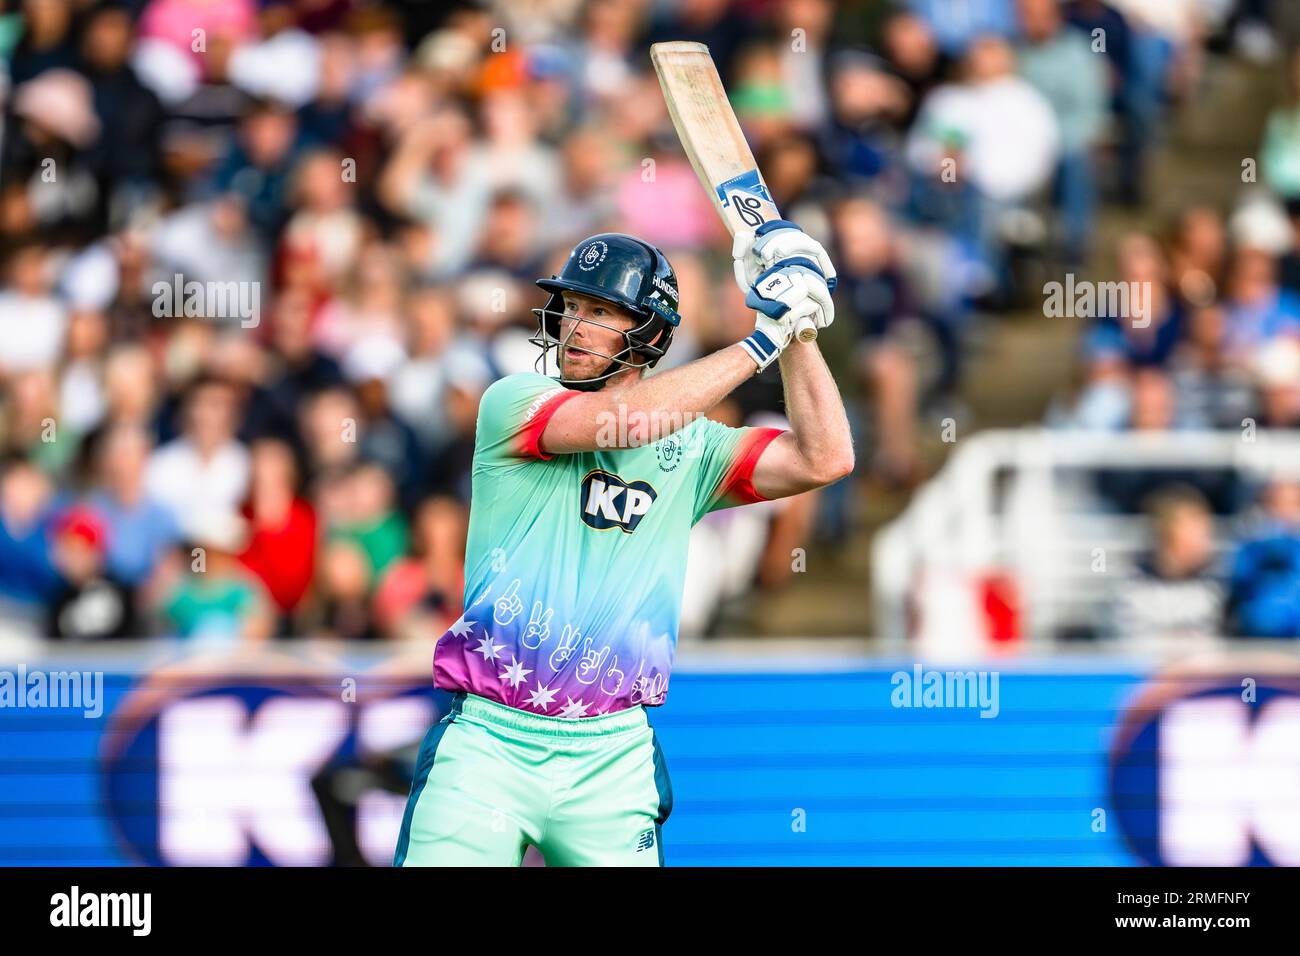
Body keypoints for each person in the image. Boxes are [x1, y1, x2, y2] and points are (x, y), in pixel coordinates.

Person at [394, 223, 853, 867]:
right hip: (488, 742)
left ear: (653, 336)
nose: (575, 326)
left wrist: (800, 329)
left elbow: (825, 456)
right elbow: (626, 421)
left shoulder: (695, 450)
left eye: (600, 312)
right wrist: (764, 337)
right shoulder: (514, 403)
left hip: (613, 756)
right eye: (571, 307)